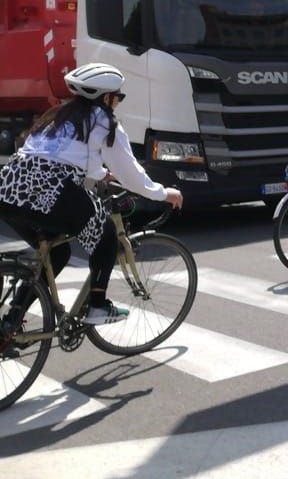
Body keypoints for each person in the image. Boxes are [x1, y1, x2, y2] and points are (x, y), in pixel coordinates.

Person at [0, 63, 184, 326]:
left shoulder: (58, 115)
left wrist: (100, 174)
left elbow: (61, 155)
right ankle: (97, 306)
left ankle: (11, 322)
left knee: (57, 252)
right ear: (106, 97)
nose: (119, 102)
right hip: (47, 191)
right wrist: (163, 193)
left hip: (8, 190)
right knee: (106, 233)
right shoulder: (105, 122)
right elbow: (131, 174)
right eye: (119, 97)